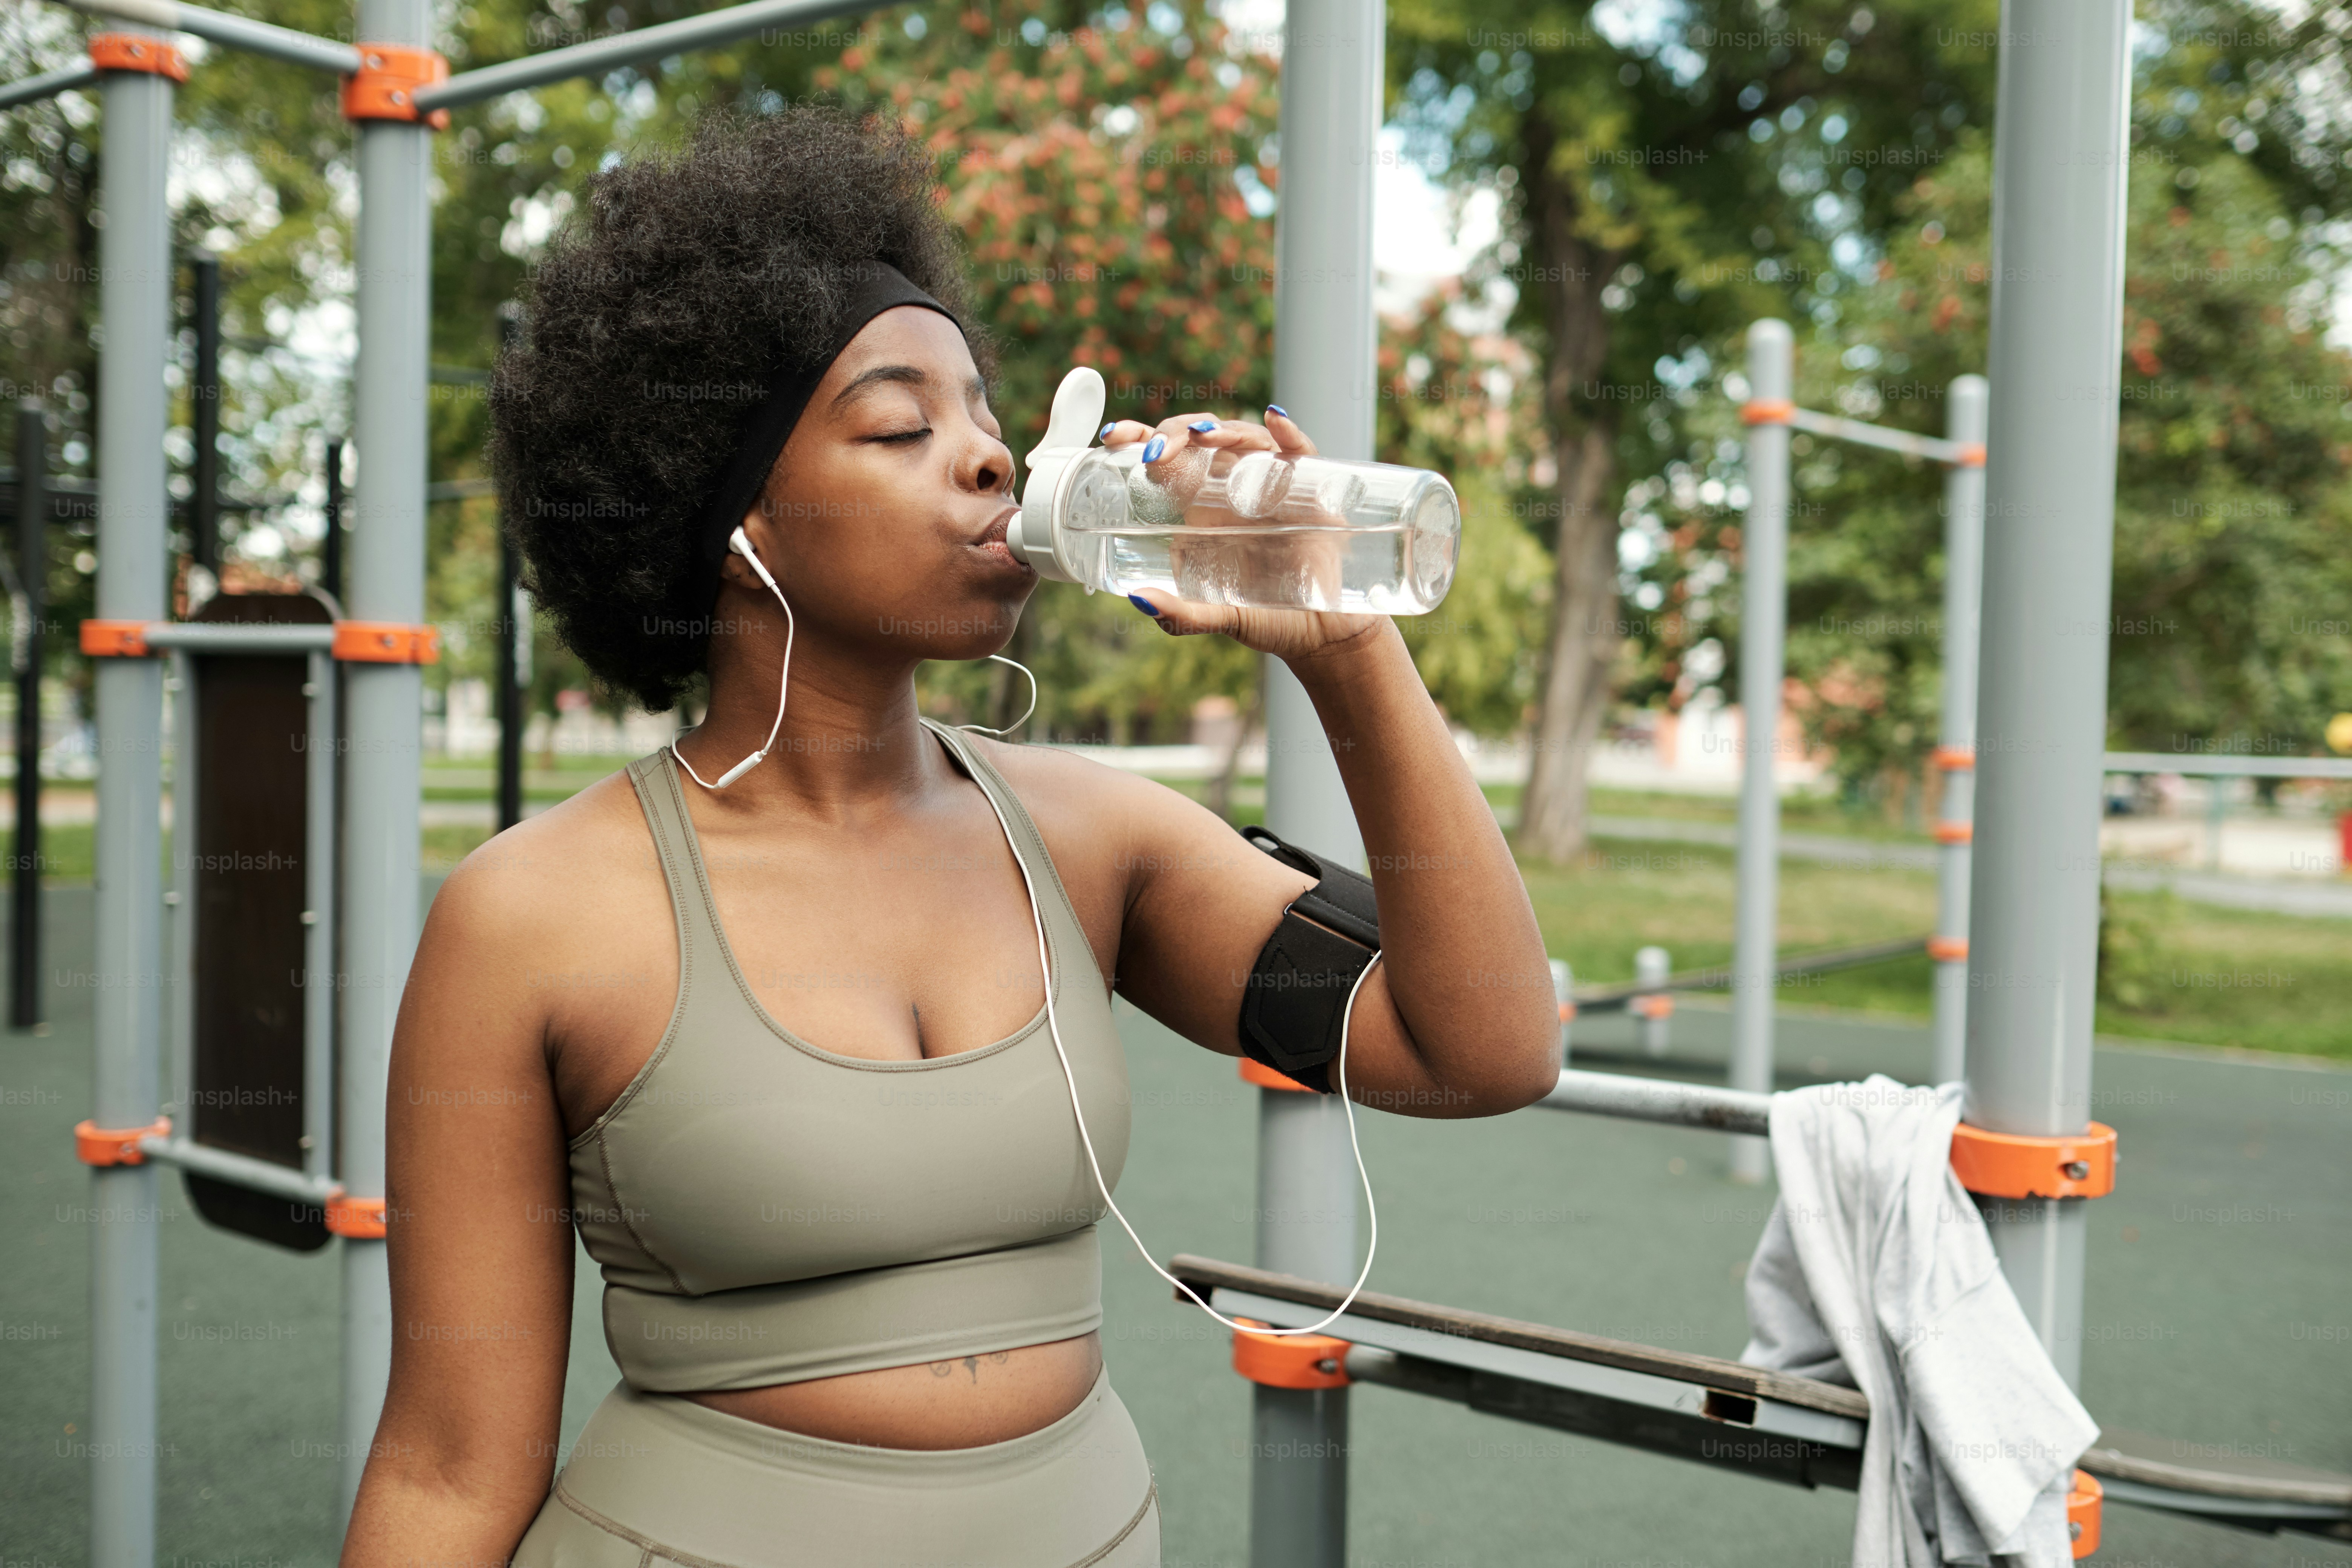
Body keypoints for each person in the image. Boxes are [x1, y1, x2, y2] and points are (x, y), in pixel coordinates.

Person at [338, 104, 1560, 1568]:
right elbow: (448, 1467)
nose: (988, 460)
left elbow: (1484, 1049)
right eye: (901, 426)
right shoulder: (535, 915)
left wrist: (1348, 646)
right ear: (735, 521)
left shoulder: (1091, 839)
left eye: (985, 417)